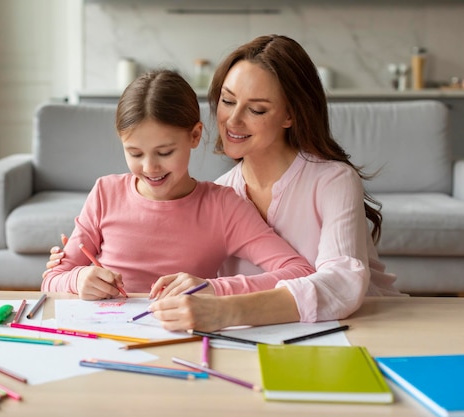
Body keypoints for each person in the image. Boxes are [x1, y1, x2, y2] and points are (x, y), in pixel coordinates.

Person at [47, 35, 402, 331]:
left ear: (291, 114)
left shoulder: (332, 180)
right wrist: (73, 275)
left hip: (369, 325)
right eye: (227, 101)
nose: (232, 119)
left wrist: (218, 300)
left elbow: (341, 282)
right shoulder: (225, 190)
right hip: (267, 332)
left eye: (256, 109)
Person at [42, 69, 315, 300]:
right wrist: (78, 279)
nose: (150, 168)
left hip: (184, 337)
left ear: (195, 135)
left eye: (164, 153)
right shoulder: (105, 193)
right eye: (135, 153)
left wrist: (213, 288)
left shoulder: (223, 206)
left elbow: (299, 271)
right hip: (105, 336)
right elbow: (51, 279)